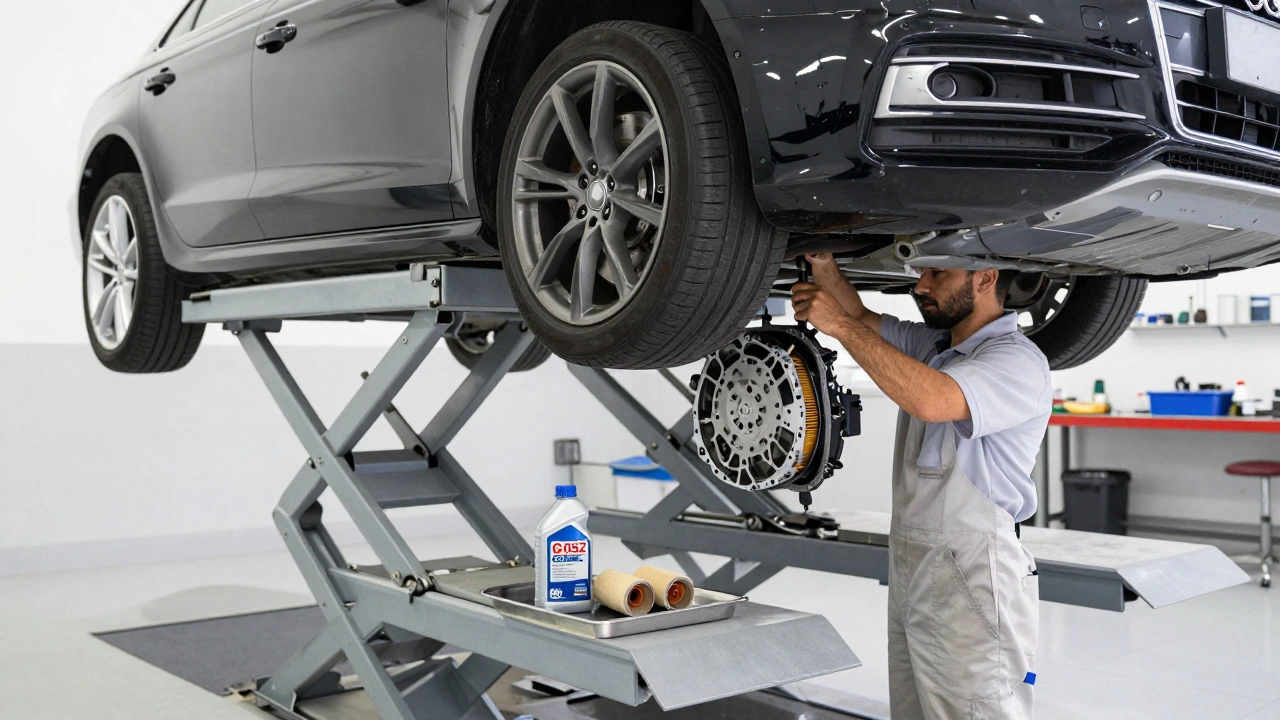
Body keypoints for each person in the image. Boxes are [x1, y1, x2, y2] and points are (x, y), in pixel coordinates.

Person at [792, 253, 1051, 720]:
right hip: (914, 558)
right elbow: (860, 320)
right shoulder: (935, 346)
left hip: (972, 569)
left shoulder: (1015, 361)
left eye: (938, 274)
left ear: (986, 278)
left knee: (972, 711)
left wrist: (841, 329)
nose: (920, 285)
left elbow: (932, 399)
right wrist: (824, 264)